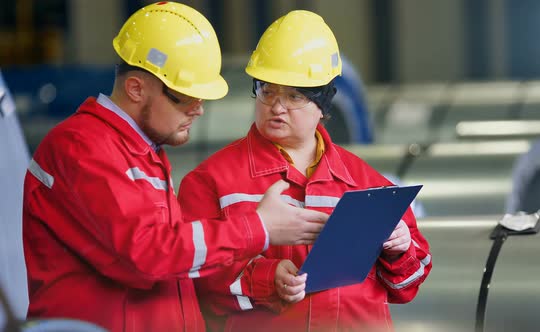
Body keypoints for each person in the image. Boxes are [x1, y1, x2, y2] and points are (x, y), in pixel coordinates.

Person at [21, 3, 328, 332]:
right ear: (136, 88)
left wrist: (265, 273)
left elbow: (179, 263)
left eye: (201, 98)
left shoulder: (139, 152)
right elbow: (147, 256)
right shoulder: (82, 148)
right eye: (184, 97)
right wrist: (257, 228)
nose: (198, 110)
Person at [177, 10, 432, 332]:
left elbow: (408, 285)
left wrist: (402, 248)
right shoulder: (211, 182)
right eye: (267, 91)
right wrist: (266, 279)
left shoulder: (368, 185)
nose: (276, 107)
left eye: (294, 96)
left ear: (323, 106)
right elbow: (192, 280)